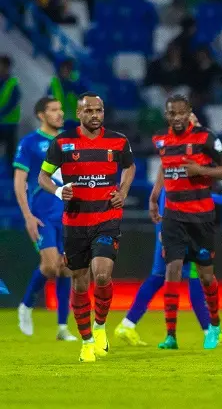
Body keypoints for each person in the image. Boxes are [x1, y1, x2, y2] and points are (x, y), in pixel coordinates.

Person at [116, 112, 222, 346]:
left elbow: (194, 193)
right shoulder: (176, 154)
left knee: (171, 276)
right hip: (175, 222)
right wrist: (163, 224)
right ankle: (202, 331)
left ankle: (131, 325)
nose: (192, 122)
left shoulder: (191, 151)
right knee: (172, 276)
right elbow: (168, 192)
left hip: (185, 220)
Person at [38, 94, 136, 362]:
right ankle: (86, 342)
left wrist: (123, 191)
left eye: (99, 110)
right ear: (79, 113)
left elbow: (129, 167)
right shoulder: (63, 143)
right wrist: (59, 191)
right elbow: (43, 176)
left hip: (107, 218)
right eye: (89, 110)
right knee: (80, 282)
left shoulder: (118, 140)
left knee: (102, 275)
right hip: (75, 223)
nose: (95, 115)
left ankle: (100, 326)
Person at [149, 95, 222, 350]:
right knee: (172, 270)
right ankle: (171, 335)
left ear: (189, 113)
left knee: (207, 277)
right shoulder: (161, 140)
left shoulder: (205, 138)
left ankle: (214, 326)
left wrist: (202, 171)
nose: (176, 117)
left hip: (201, 217)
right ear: (166, 115)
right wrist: (155, 198)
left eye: (181, 113)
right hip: (173, 216)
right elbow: (166, 168)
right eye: (171, 113)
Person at [13, 98, 76, 342]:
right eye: (53, 110)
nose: (59, 113)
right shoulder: (29, 143)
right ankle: (26, 305)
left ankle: (62, 328)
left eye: (60, 109)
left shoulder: (70, 141)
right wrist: (28, 216)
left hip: (68, 215)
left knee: (66, 269)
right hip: (42, 216)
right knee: (50, 266)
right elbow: (20, 182)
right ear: (41, 115)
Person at [46, 58, 90, 129]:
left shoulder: (77, 82)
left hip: (75, 124)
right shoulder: (54, 84)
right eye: (64, 68)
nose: (66, 71)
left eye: (68, 68)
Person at [0, 56, 21, 166]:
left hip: (9, 124)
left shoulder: (13, 83)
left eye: (3, 66)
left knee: (10, 152)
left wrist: (1, 113)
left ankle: (14, 176)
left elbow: (13, 103)